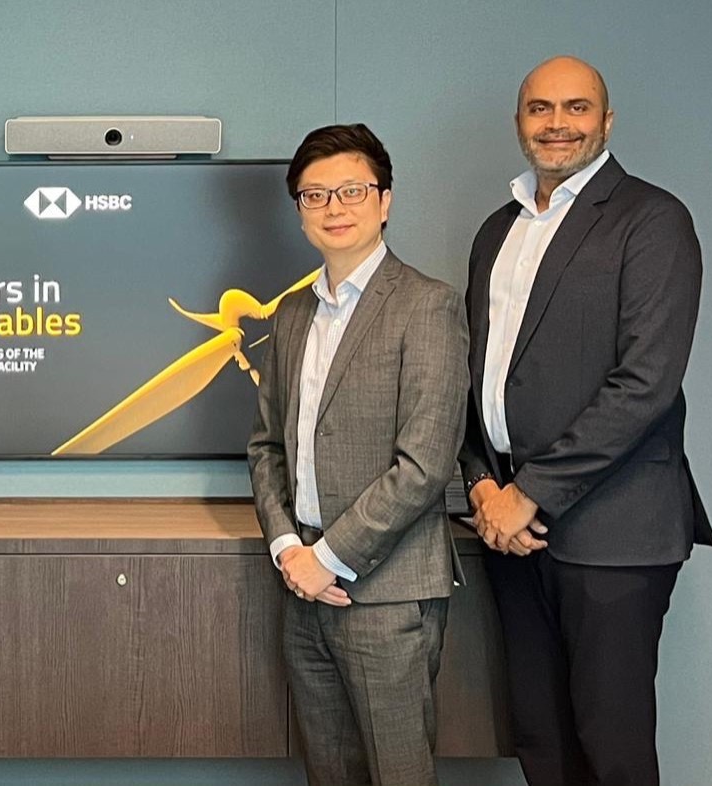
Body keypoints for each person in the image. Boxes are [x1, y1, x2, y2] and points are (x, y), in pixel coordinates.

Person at [460, 55, 712, 786]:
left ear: (605, 121)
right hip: (508, 530)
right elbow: (478, 375)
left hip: (613, 532)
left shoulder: (651, 219)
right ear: (519, 122)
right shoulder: (495, 231)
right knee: (541, 743)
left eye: (576, 108)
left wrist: (527, 492)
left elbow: (646, 384)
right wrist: (481, 483)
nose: (556, 123)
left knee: (612, 751)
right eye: (539, 109)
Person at [247, 123, 469, 786]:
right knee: (327, 772)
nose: (333, 208)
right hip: (301, 585)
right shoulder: (289, 315)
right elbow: (265, 447)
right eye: (314, 196)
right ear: (298, 210)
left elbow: (425, 463)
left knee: (398, 774)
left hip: (387, 590)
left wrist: (329, 559)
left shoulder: (427, 306)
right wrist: (290, 548)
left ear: (384, 200)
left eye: (350, 190)